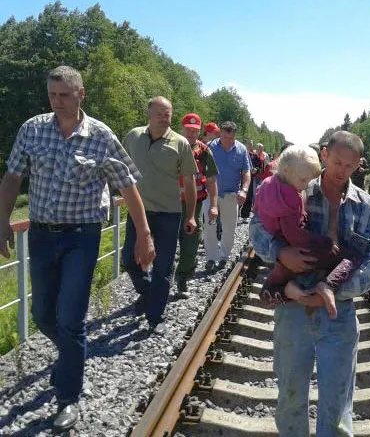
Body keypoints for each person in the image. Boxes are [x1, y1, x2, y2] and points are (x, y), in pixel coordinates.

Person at [0, 66, 155, 432]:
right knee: (42, 314)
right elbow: (12, 177)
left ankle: (68, 398)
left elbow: (128, 187)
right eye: (52, 95)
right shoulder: (33, 129)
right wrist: (2, 220)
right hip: (40, 234)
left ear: (81, 94)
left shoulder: (100, 136)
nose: (57, 102)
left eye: (64, 95)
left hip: (81, 237)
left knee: (70, 320)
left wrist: (144, 234)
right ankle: (72, 355)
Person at [249, 130, 370, 436]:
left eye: (350, 166)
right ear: (325, 154)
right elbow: (257, 227)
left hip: (338, 314)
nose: (342, 171)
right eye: (337, 162)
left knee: (338, 405)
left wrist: (336, 290)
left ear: (359, 165)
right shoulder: (293, 187)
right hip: (293, 313)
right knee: (289, 398)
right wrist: (279, 251)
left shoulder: (366, 207)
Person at [254, 145, 366, 318]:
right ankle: (327, 285)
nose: (306, 185)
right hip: (298, 249)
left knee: (268, 291)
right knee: (353, 256)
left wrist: (280, 252)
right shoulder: (289, 196)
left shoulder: (270, 185)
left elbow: (261, 218)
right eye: (303, 181)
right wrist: (324, 242)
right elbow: (294, 234)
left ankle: (289, 290)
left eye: (348, 166)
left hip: (282, 245)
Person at [122, 96, 199, 334]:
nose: (165, 118)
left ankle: (155, 316)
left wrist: (191, 215)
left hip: (169, 213)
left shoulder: (180, 143)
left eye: (168, 114)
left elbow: (189, 181)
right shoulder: (133, 136)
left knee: (163, 266)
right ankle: (148, 294)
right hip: (139, 211)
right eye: (160, 113)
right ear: (149, 113)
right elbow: (118, 167)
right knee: (129, 260)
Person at [175, 113, 219, 298]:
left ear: (199, 131)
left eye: (195, 131)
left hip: (194, 205)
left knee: (191, 243)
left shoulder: (204, 152)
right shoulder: (170, 147)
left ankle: (183, 278)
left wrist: (214, 205)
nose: (191, 134)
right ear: (181, 129)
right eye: (188, 130)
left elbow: (211, 180)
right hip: (169, 204)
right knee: (164, 243)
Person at [203, 121, 251, 270]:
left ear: (235, 136)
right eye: (224, 137)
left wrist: (244, 190)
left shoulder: (241, 149)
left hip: (231, 195)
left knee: (229, 228)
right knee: (209, 227)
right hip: (210, 195)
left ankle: (224, 256)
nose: (227, 141)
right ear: (220, 134)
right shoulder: (210, 147)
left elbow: (246, 173)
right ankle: (211, 257)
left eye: (231, 138)